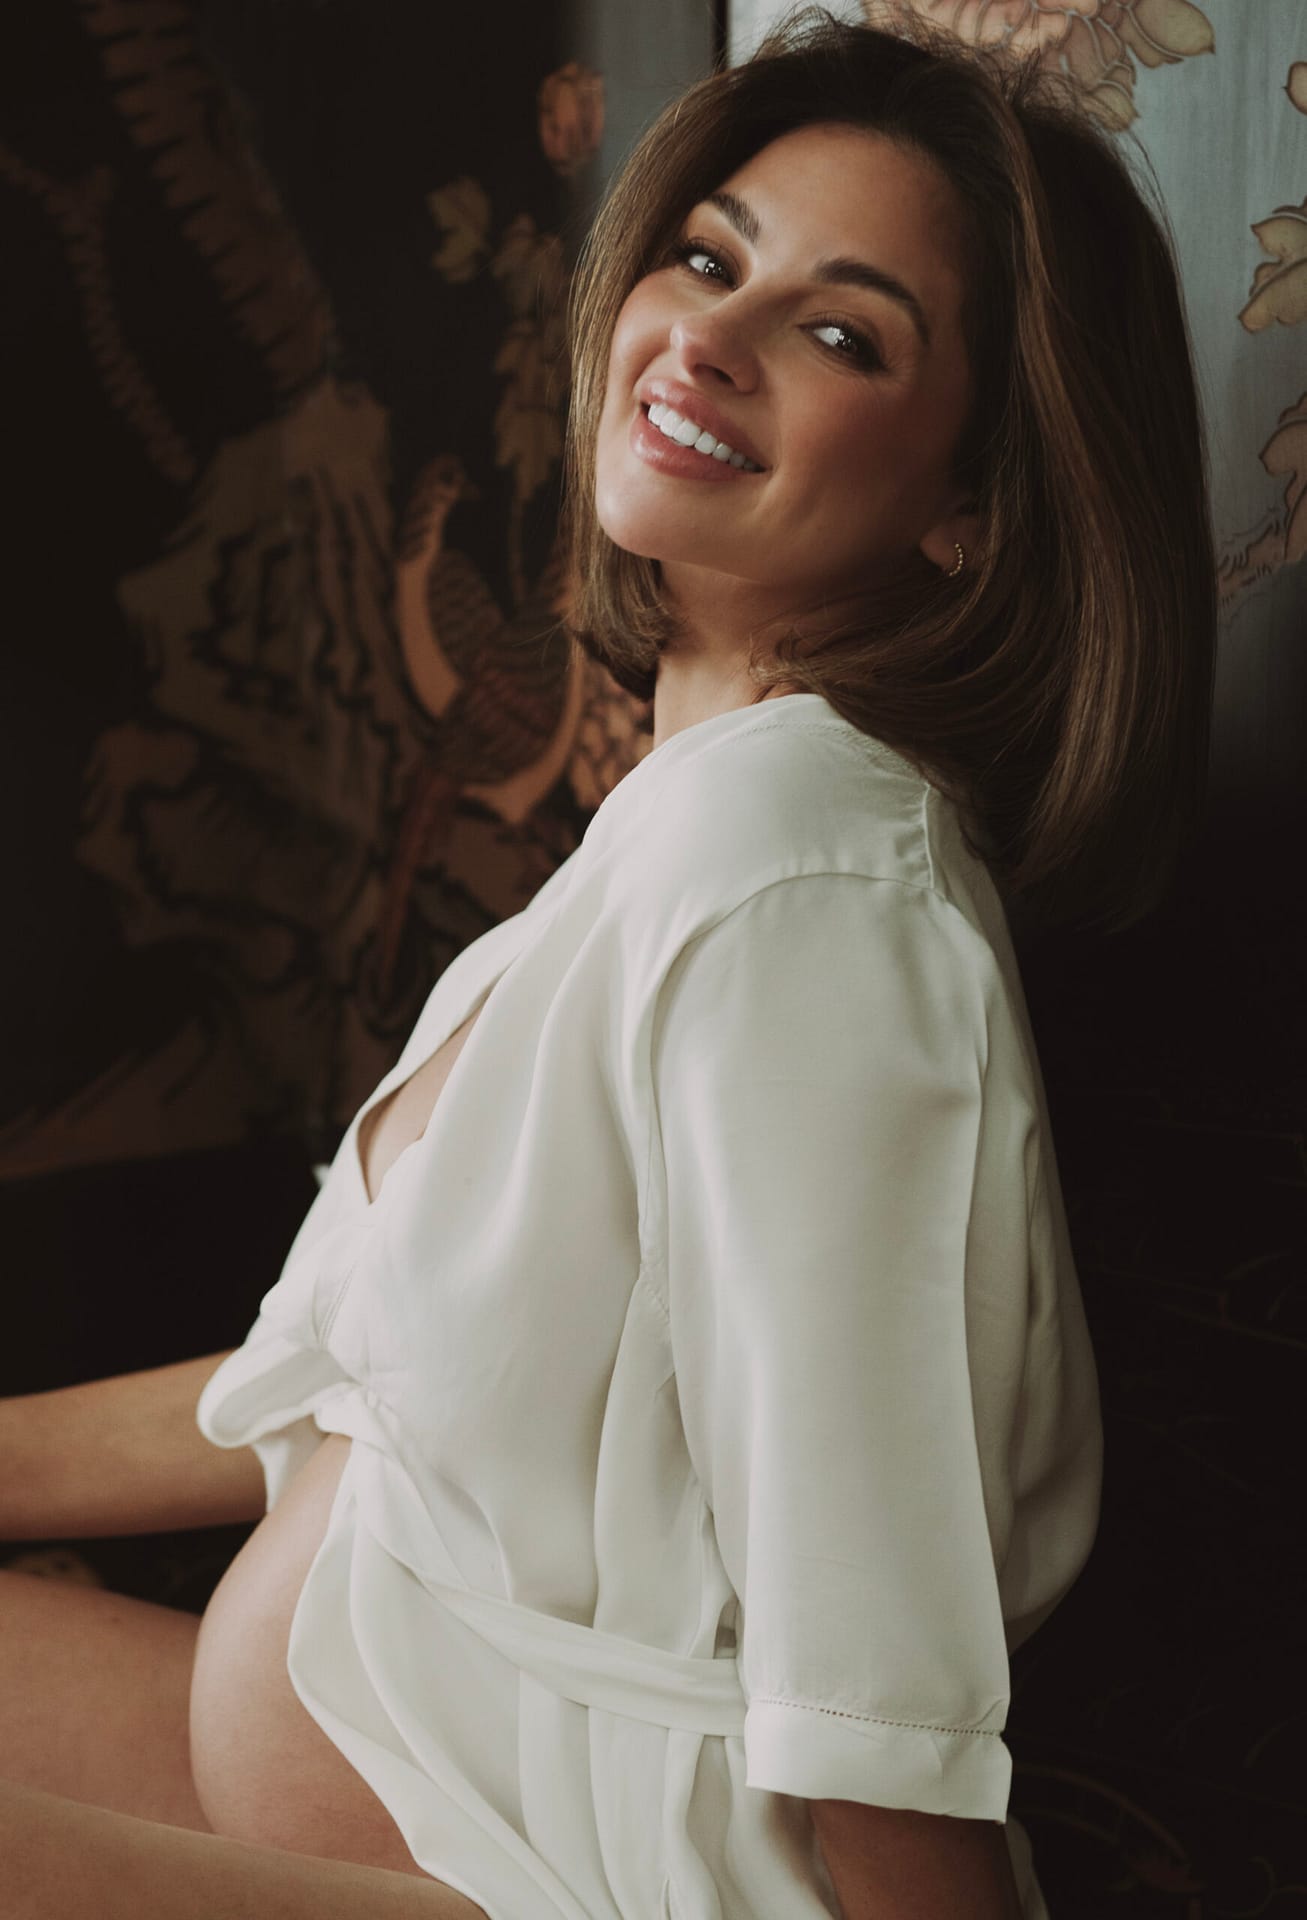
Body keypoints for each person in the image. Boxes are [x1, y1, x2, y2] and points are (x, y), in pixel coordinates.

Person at [0, 6, 1216, 1916]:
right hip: (408, 1771)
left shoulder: (802, 875)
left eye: (843, 333)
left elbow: (874, 1686)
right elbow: (341, 1384)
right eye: (712, 260)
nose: (711, 338)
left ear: (973, 510)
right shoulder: (682, 835)